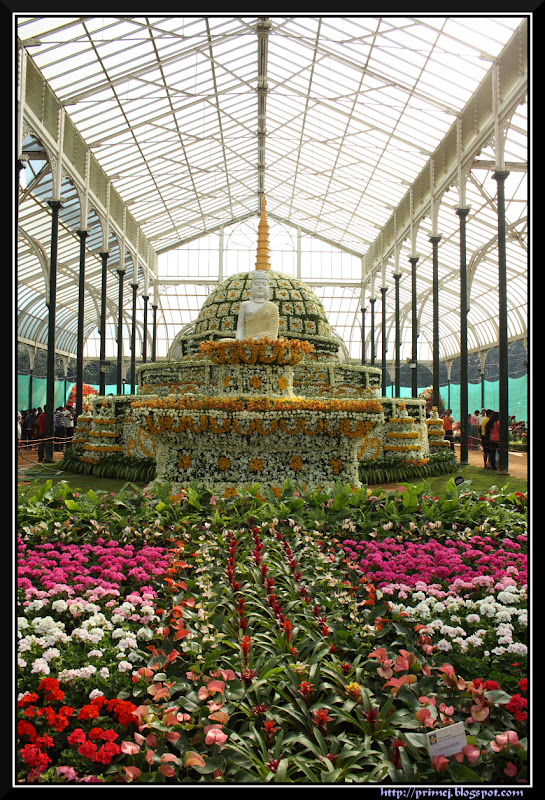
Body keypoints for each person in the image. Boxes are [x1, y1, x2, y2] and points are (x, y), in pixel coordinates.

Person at [236, 270, 279, 340]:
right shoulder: (245, 305)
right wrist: (239, 341)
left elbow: (273, 331)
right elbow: (241, 327)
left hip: (265, 343)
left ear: (268, 288)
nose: (260, 286)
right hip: (246, 342)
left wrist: (256, 339)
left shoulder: (272, 307)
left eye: (264, 284)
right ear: (251, 288)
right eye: (257, 284)